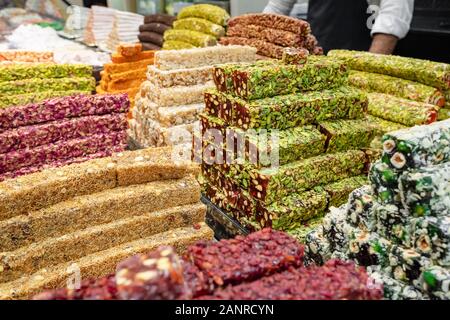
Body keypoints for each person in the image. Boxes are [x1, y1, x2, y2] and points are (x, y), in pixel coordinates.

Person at [263, 0, 414, 54]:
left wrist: (369, 69)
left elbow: (393, 14)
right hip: (318, 55)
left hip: (364, 53)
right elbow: (276, 8)